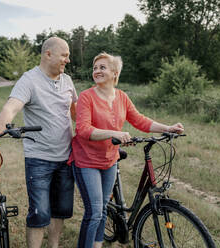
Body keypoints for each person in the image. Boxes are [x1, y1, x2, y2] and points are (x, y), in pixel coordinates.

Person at [68, 52, 184, 248]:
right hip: (86, 161)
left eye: (102, 67)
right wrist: (115, 133)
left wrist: (167, 128)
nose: (97, 71)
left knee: (103, 209)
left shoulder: (122, 97)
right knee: (94, 212)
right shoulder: (87, 97)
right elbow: (83, 130)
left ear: (115, 73)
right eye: (95, 68)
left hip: (109, 160)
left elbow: (139, 120)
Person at [0, 37, 77, 248]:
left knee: (60, 210)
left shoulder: (67, 81)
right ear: (48, 54)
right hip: (39, 159)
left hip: (66, 157)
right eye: (64, 55)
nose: (68, 60)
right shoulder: (29, 80)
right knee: (39, 213)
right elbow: (10, 109)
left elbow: (76, 113)